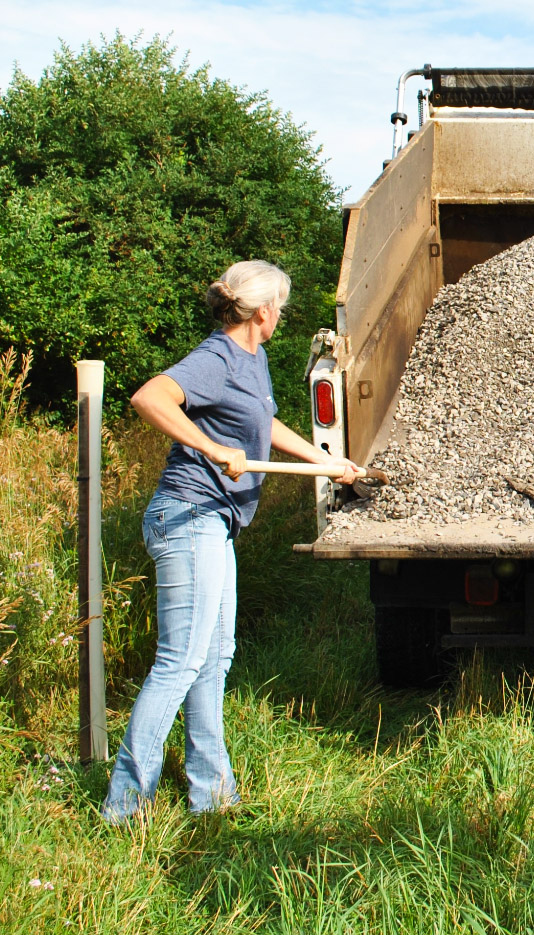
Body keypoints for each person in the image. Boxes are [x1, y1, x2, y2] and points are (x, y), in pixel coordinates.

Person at [100, 260, 358, 825]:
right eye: (280, 308)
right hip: (188, 514)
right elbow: (151, 399)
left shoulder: (253, 358)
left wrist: (323, 460)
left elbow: (258, 426)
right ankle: (123, 807)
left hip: (215, 524)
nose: (281, 317)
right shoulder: (214, 359)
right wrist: (213, 451)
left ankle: (211, 795)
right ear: (263, 311)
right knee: (181, 660)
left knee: (214, 658)